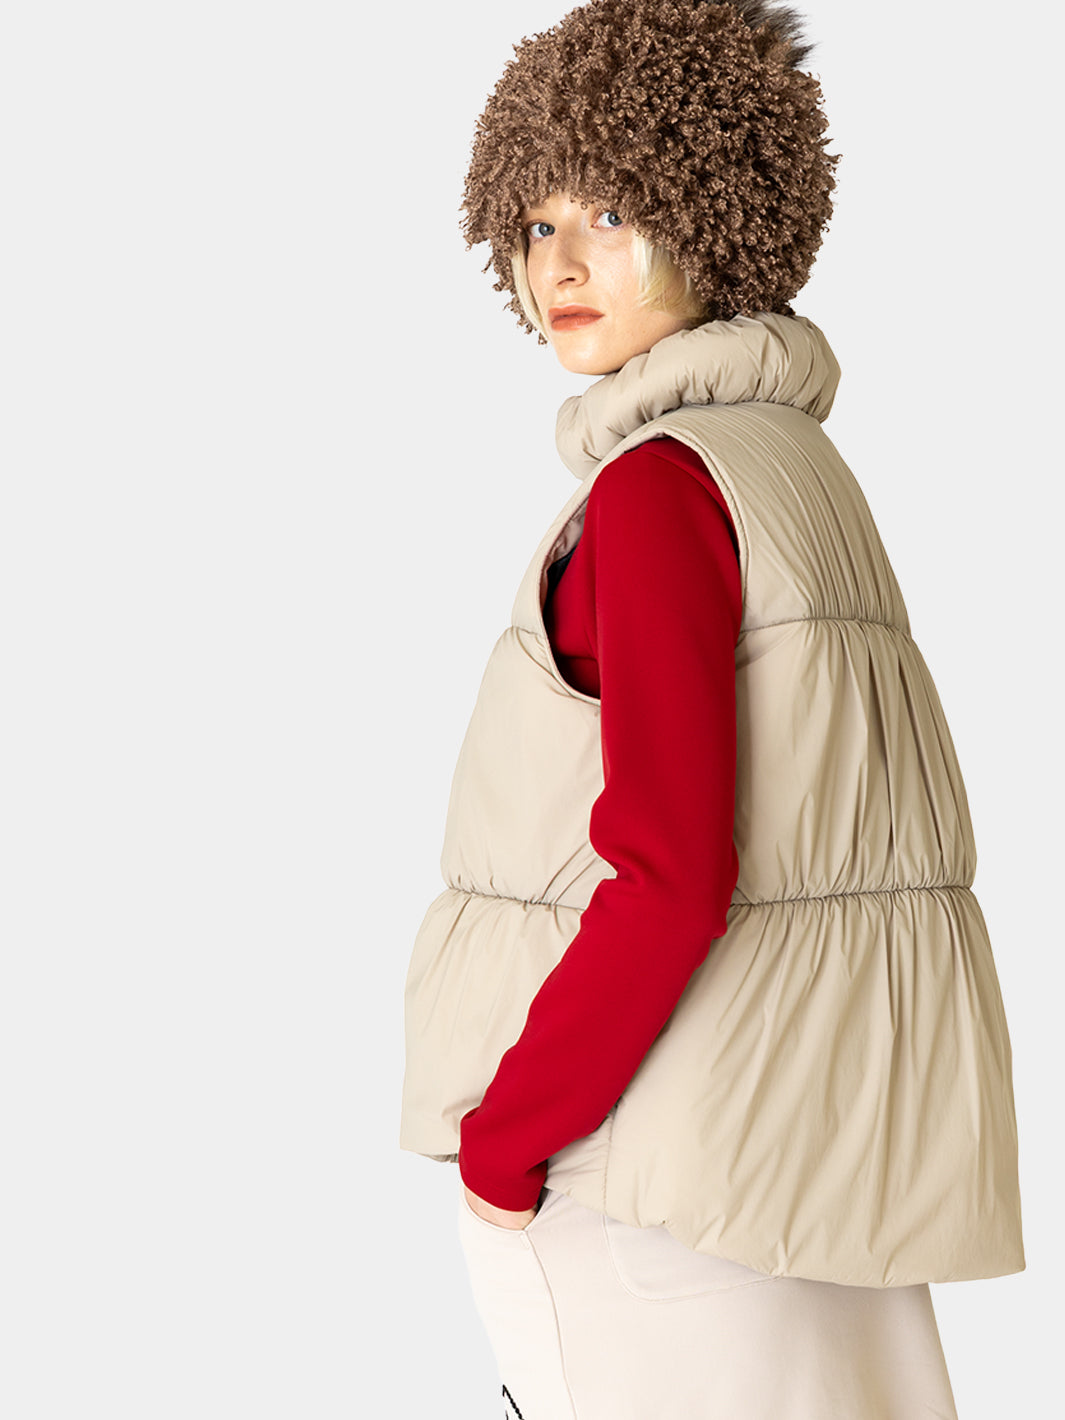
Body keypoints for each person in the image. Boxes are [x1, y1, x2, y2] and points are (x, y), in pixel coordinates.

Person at [400, 2, 1025, 1415]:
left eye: (612, 212)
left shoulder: (657, 489)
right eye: (535, 221)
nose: (559, 264)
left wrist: (508, 1138)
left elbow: (676, 873)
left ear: (716, 217)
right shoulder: (794, 468)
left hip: (648, 1177)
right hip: (807, 1163)